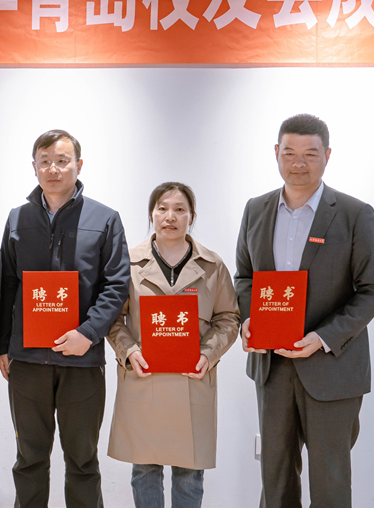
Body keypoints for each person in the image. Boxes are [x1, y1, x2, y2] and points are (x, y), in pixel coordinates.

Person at [235, 114, 374, 507]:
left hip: (332, 367)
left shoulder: (354, 214)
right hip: (272, 367)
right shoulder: (256, 209)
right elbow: (244, 277)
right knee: (276, 477)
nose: (298, 163)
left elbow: (373, 288)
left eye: (310, 154)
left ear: (327, 155)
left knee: (330, 481)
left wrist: (323, 337)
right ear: (276, 153)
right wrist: (248, 320)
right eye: (289, 153)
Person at [0, 129, 130, 508]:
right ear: (34, 167)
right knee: (29, 460)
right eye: (45, 162)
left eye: (61, 161)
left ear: (78, 165)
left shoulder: (105, 219)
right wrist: (3, 346)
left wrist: (88, 333)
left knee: (83, 462)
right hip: (27, 361)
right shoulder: (18, 218)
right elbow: (6, 285)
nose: (53, 169)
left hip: (82, 362)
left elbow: (116, 284)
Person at [106, 182, 239, 508]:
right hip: (144, 378)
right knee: (144, 469)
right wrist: (129, 352)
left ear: (191, 216)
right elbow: (112, 319)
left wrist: (208, 354)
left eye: (180, 210)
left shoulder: (212, 266)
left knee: (189, 474)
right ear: (151, 214)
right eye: (162, 208)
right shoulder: (128, 263)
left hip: (192, 379)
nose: (170, 217)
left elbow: (229, 318)